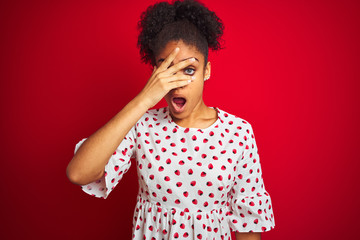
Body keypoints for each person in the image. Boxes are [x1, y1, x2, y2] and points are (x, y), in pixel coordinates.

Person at [66, 0, 275, 239]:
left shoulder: (239, 133)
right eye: (166, 69)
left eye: (189, 70)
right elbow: (79, 173)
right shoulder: (143, 125)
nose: (176, 82)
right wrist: (144, 99)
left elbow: (248, 225)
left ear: (206, 71)